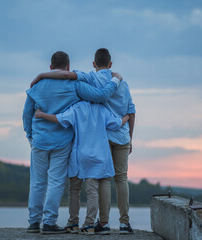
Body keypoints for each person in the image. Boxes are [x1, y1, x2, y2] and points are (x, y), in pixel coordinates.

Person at [31, 48, 136, 234]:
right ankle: (113, 223)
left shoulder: (83, 90)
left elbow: (61, 113)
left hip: (86, 146)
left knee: (81, 186)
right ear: (110, 64)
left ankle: (83, 223)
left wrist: (41, 79)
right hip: (111, 141)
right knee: (112, 181)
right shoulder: (119, 89)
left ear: (94, 64)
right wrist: (128, 124)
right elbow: (123, 116)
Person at [34, 101, 129, 235]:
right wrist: (127, 117)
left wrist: (41, 114)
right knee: (92, 191)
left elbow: (59, 119)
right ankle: (89, 225)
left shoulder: (76, 108)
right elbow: (117, 123)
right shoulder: (102, 109)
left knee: (74, 189)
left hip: (79, 155)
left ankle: (73, 222)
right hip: (98, 155)